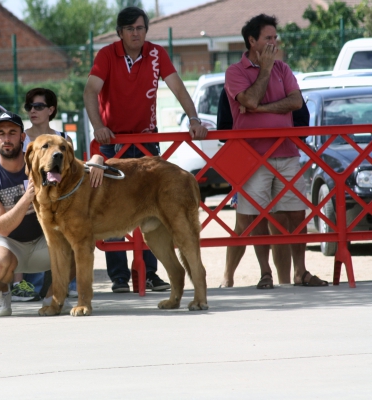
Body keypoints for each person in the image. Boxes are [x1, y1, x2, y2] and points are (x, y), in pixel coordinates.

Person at [83, 6, 207, 293]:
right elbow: (90, 91)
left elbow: (177, 87)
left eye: (140, 28)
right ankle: (118, 278)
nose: (135, 33)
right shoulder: (107, 54)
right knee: (109, 206)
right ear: (120, 33)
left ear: (145, 30)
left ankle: (151, 274)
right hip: (112, 141)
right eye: (129, 28)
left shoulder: (156, 53)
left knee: (153, 206)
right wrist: (98, 126)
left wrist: (194, 118)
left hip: (146, 140)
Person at [223, 14, 328, 288]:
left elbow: (295, 102)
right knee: (255, 216)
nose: (274, 42)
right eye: (268, 38)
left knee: (295, 213)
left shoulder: (284, 68)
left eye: (275, 37)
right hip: (252, 157)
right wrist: (265, 71)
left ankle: (300, 272)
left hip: (287, 152)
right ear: (252, 41)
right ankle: (264, 273)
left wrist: (261, 108)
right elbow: (248, 99)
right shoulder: (235, 72)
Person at [18, 87, 106, 300]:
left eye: (38, 106)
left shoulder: (64, 139)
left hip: (59, 201)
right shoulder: (22, 139)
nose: (32, 110)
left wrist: (99, 159)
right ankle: (29, 286)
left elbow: (75, 170)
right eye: (29, 106)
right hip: (29, 201)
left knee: (76, 237)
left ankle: (61, 290)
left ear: (51, 110)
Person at [217, 88, 310, 287]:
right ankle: (228, 277)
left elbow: (302, 119)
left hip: (283, 154)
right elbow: (223, 128)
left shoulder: (283, 78)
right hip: (246, 159)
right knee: (243, 223)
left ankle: (285, 281)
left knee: (280, 222)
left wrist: (255, 111)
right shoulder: (237, 81)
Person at [0, 111, 55, 317]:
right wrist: (28, 195)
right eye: (1, 133)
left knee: (78, 242)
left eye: (12, 132)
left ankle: (54, 297)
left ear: (22, 137)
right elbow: (2, 227)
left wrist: (98, 157)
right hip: (8, 243)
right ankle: (1, 292)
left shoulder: (43, 167)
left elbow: (75, 168)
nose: (7, 138)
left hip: (42, 242)